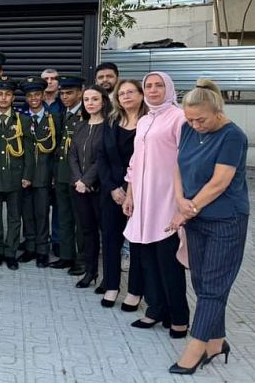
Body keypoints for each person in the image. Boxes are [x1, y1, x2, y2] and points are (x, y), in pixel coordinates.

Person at [168, 79, 249, 374]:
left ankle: (196, 347)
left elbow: (219, 182)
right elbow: (178, 165)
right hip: (195, 216)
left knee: (214, 286)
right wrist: (180, 200)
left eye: (200, 119)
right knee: (202, 282)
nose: (195, 125)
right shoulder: (188, 128)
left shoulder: (233, 136)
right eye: (190, 119)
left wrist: (186, 210)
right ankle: (216, 341)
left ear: (218, 111)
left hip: (225, 219)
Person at [123, 72, 189, 338]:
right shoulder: (144, 120)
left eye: (158, 85)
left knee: (168, 261)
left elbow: (185, 161)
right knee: (147, 260)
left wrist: (181, 203)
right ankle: (155, 309)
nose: (152, 90)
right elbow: (135, 161)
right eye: (148, 86)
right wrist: (130, 195)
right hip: (143, 200)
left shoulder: (179, 118)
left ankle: (179, 318)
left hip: (167, 199)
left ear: (169, 88)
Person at [97, 79, 145, 310]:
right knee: (110, 240)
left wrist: (129, 191)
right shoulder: (111, 121)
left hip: (140, 191)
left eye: (130, 92)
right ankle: (112, 286)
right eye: (121, 93)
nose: (126, 96)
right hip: (112, 190)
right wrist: (112, 187)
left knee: (136, 243)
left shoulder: (148, 122)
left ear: (141, 95)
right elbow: (102, 157)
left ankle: (135, 291)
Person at [0, 79, 33, 270]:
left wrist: (27, 175)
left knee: (14, 216)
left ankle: (11, 251)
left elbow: (29, 151)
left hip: (15, 176)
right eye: (0, 94)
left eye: (8, 94)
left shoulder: (23, 120)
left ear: (13, 97)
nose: (4, 98)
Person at [69, 85, 109, 288]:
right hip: (79, 188)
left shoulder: (110, 126)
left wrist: (87, 181)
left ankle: (108, 278)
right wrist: (78, 180)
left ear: (103, 101)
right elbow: (72, 155)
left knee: (106, 234)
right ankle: (90, 272)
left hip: (99, 189)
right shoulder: (80, 125)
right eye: (86, 100)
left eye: (95, 99)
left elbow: (103, 157)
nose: (90, 103)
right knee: (87, 231)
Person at [20, 76, 58, 268]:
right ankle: (30, 247)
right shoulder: (21, 118)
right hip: (24, 175)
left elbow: (57, 150)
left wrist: (54, 175)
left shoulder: (54, 118)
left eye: (37, 94)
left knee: (42, 213)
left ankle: (42, 250)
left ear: (43, 95)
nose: (33, 98)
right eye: (29, 95)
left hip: (44, 174)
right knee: (27, 213)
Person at [50, 74, 85, 275]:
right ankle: (66, 256)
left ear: (80, 93)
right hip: (62, 174)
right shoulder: (63, 113)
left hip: (78, 176)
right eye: (62, 93)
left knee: (80, 220)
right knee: (64, 217)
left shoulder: (85, 114)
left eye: (69, 93)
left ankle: (81, 260)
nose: (64, 97)